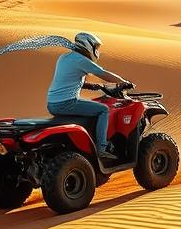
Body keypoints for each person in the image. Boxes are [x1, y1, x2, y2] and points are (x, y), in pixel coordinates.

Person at [46, 32, 131, 161]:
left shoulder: (64, 57)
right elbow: (103, 74)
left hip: (52, 103)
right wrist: (123, 82)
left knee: (89, 105)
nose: (97, 51)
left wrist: (94, 86)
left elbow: (69, 80)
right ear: (88, 45)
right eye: (96, 47)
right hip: (67, 103)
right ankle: (102, 148)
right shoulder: (81, 60)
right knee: (103, 110)